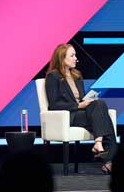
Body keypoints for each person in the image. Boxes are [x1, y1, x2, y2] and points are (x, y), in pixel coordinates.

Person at [45, 43, 116, 174]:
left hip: (82, 112)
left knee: (100, 103)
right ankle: (108, 160)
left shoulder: (77, 75)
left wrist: (87, 101)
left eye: (75, 55)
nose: (75, 58)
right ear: (62, 58)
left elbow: (81, 98)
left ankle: (99, 144)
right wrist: (78, 105)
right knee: (104, 118)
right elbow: (54, 104)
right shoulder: (53, 77)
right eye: (72, 55)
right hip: (68, 115)